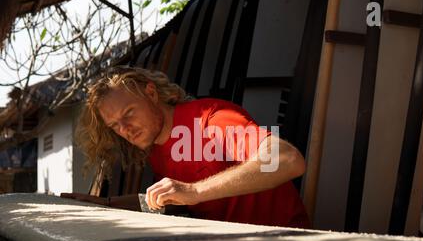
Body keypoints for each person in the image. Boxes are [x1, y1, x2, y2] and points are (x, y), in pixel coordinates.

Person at [64, 66, 310, 229]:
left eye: (128, 113)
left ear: (151, 93)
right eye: (115, 125)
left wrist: (194, 191)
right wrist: (107, 203)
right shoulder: (158, 149)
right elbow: (170, 200)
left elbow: (288, 159)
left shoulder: (210, 118)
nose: (125, 129)